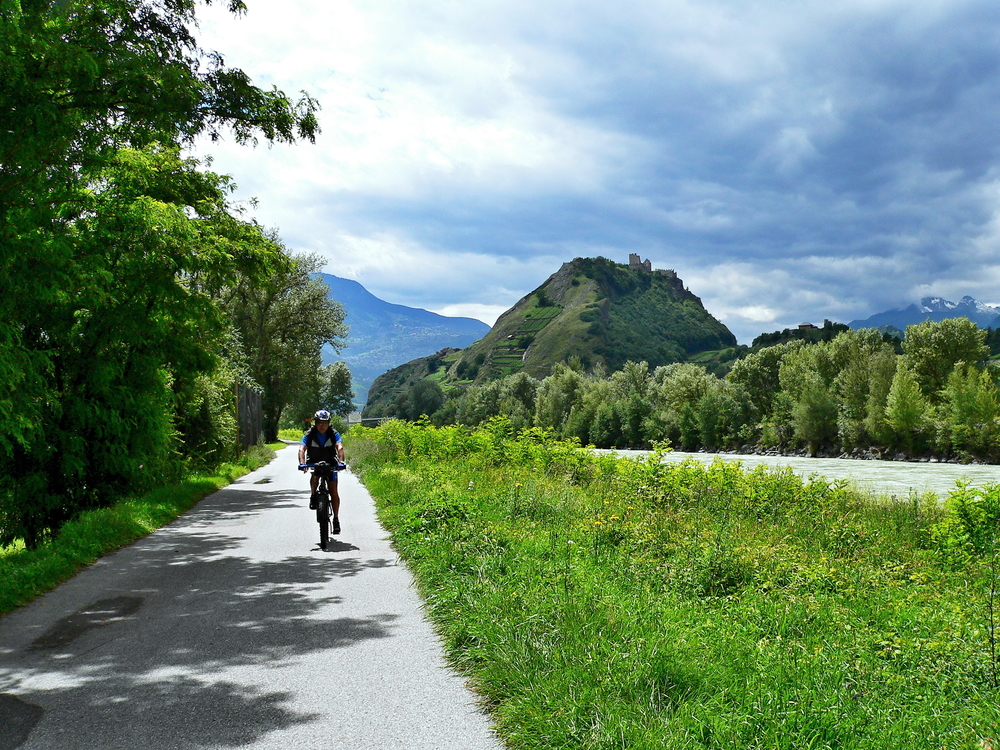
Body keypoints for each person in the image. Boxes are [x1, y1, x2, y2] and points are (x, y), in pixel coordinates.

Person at [298, 410, 346, 534]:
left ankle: (336, 519)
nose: (322, 425)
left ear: (329, 423)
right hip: (314, 461)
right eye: (319, 422)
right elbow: (302, 449)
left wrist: (341, 462)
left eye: (324, 423)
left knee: (333, 491)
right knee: (315, 477)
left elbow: (339, 447)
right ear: (315, 423)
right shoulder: (310, 434)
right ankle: (313, 495)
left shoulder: (333, 433)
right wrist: (302, 463)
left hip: (330, 462)